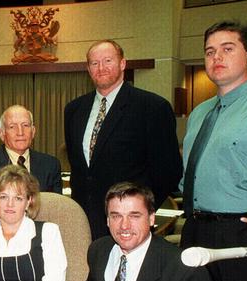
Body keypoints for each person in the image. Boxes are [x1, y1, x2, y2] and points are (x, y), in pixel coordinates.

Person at [180, 20, 247, 281]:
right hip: (194, 230)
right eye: (210, 51)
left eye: (227, 49)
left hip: (243, 232)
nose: (216, 58)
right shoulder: (199, 113)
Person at [64, 40, 182, 240]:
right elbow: (80, 169)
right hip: (84, 222)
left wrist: (140, 210)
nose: (101, 68)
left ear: (122, 64)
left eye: (108, 60)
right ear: (88, 69)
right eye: (94, 63)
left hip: (130, 224)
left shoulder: (152, 107)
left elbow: (168, 171)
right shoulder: (74, 110)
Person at [78, 182, 210, 281]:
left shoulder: (184, 271)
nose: (124, 226)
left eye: (134, 216)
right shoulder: (99, 250)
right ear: (108, 220)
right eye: (116, 216)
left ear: (151, 218)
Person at [0, 104, 62, 228]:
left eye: (25, 125)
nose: (20, 132)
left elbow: (55, 211)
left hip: (39, 238)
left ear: (33, 131)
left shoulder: (50, 165)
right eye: (12, 127)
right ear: (1, 134)